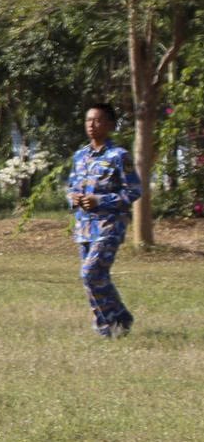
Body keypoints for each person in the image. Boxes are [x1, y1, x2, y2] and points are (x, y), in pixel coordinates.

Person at [66, 100, 140, 338]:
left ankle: (108, 323)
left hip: (109, 227)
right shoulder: (80, 156)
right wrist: (73, 198)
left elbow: (134, 191)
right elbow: (71, 186)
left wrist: (100, 200)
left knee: (90, 274)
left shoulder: (119, 156)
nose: (92, 124)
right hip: (84, 228)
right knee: (95, 278)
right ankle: (119, 319)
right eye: (88, 120)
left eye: (98, 120)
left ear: (110, 125)